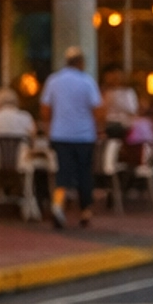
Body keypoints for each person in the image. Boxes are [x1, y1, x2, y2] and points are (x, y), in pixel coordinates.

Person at [39, 47, 105, 228]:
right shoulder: (87, 81)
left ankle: (58, 207)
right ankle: (85, 212)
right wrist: (99, 128)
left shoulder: (54, 81)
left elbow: (45, 108)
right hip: (84, 136)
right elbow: (98, 109)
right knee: (84, 174)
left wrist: (48, 128)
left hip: (60, 135)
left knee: (63, 173)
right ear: (81, 62)